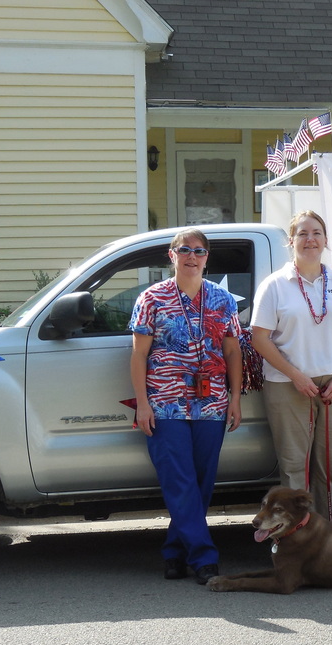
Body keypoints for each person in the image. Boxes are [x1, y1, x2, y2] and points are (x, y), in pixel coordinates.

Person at [129, 228, 243, 585]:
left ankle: (174, 552)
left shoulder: (223, 300)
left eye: (199, 251)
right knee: (179, 482)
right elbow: (139, 354)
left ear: (207, 257)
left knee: (201, 483)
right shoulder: (152, 298)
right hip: (165, 405)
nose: (192, 256)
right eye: (184, 250)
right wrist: (143, 405)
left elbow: (232, 350)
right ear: (171, 255)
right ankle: (204, 558)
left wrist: (235, 397)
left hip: (212, 404)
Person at [250, 210, 332, 524]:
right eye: (302, 234)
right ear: (291, 241)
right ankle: (296, 538)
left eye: (316, 233)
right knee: (294, 469)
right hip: (287, 384)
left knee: (330, 468)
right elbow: (259, 338)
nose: (310, 239)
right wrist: (296, 376)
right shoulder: (274, 286)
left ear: (326, 240)